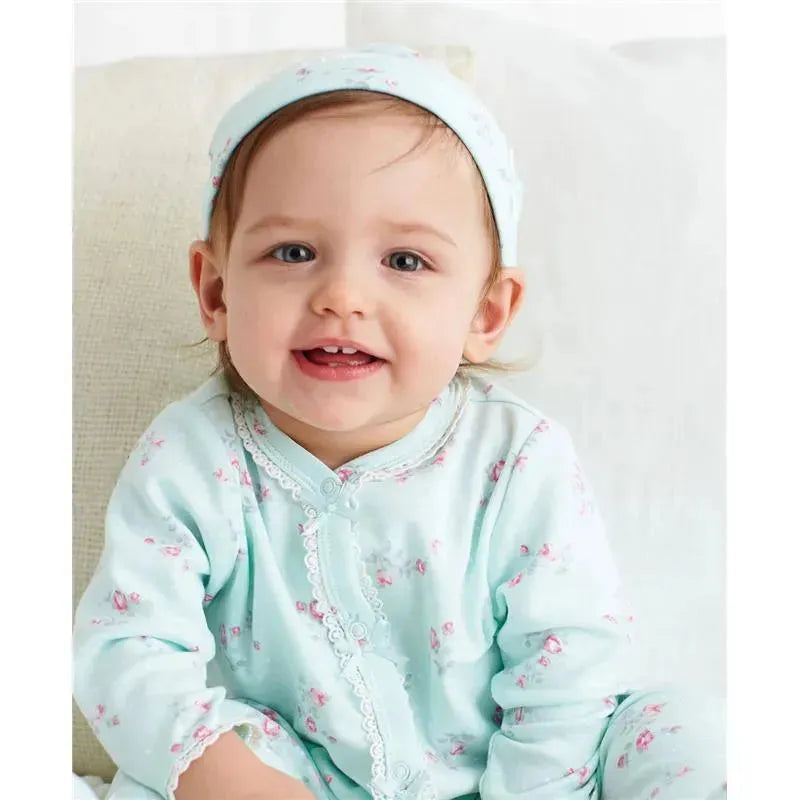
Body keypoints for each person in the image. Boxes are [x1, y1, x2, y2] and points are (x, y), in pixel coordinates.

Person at [73, 43, 725, 800]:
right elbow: (128, 650)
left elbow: (568, 664)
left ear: (486, 314)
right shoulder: (191, 458)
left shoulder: (516, 459)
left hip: (532, 770)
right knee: (162, 773)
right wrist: (222, 771)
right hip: (297, 778)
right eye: (294, 251)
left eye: (406, 262)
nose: (343, 296)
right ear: (216, 293)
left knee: (685, 731)